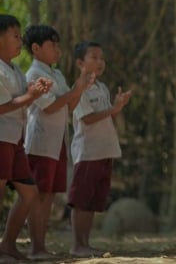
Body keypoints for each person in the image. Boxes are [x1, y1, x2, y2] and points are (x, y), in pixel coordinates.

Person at [22, 25, 95, 259]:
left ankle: (41, 245)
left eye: (58, 45)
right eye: (52, 45)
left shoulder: (58, 75)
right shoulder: (34, 75)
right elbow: (52, 106)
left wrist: (80, 87)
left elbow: (69, 105)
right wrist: (76, 89)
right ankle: (36, 247)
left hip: (57, 142)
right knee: (39, 194)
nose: (58, 50)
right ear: (35, 48)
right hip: (40, 142)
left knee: (50, 194)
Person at [68, 41, 131, 256]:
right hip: (88, 151)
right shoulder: (79, 89)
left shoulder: (101, 87)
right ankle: (77, 245)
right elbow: (86, 118)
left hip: (105, 150)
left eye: (101, 58)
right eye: (93, 57)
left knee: (93, 200)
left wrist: (117, 106)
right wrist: (113, 110)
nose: (99, 62)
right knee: (81, 201)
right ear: (80, 63)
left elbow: (106, 114)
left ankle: (86, 243)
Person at [0, 14, 52, 262]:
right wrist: (31, 96)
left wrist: (37, 89)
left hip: (15, 139)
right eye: (15, 36)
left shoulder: (16, 69)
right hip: (0, 138)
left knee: (29, 192)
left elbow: (23, 97)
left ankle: (8, 244)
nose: (19, 41)